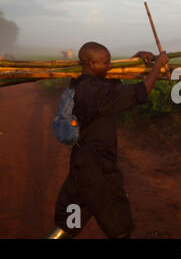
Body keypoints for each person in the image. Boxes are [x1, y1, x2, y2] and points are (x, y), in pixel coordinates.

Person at [47, 41, 169, 239]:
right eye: (106, 62)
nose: (110, 65)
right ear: (90, 64)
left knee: (68, 227)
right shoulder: (97, 92)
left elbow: (114, 80)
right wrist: (157, 66)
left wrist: (137, 59)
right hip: (100, 172)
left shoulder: (82, 83)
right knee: (120, 229)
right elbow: (140, 92)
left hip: (80, 169)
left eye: (110, 61)